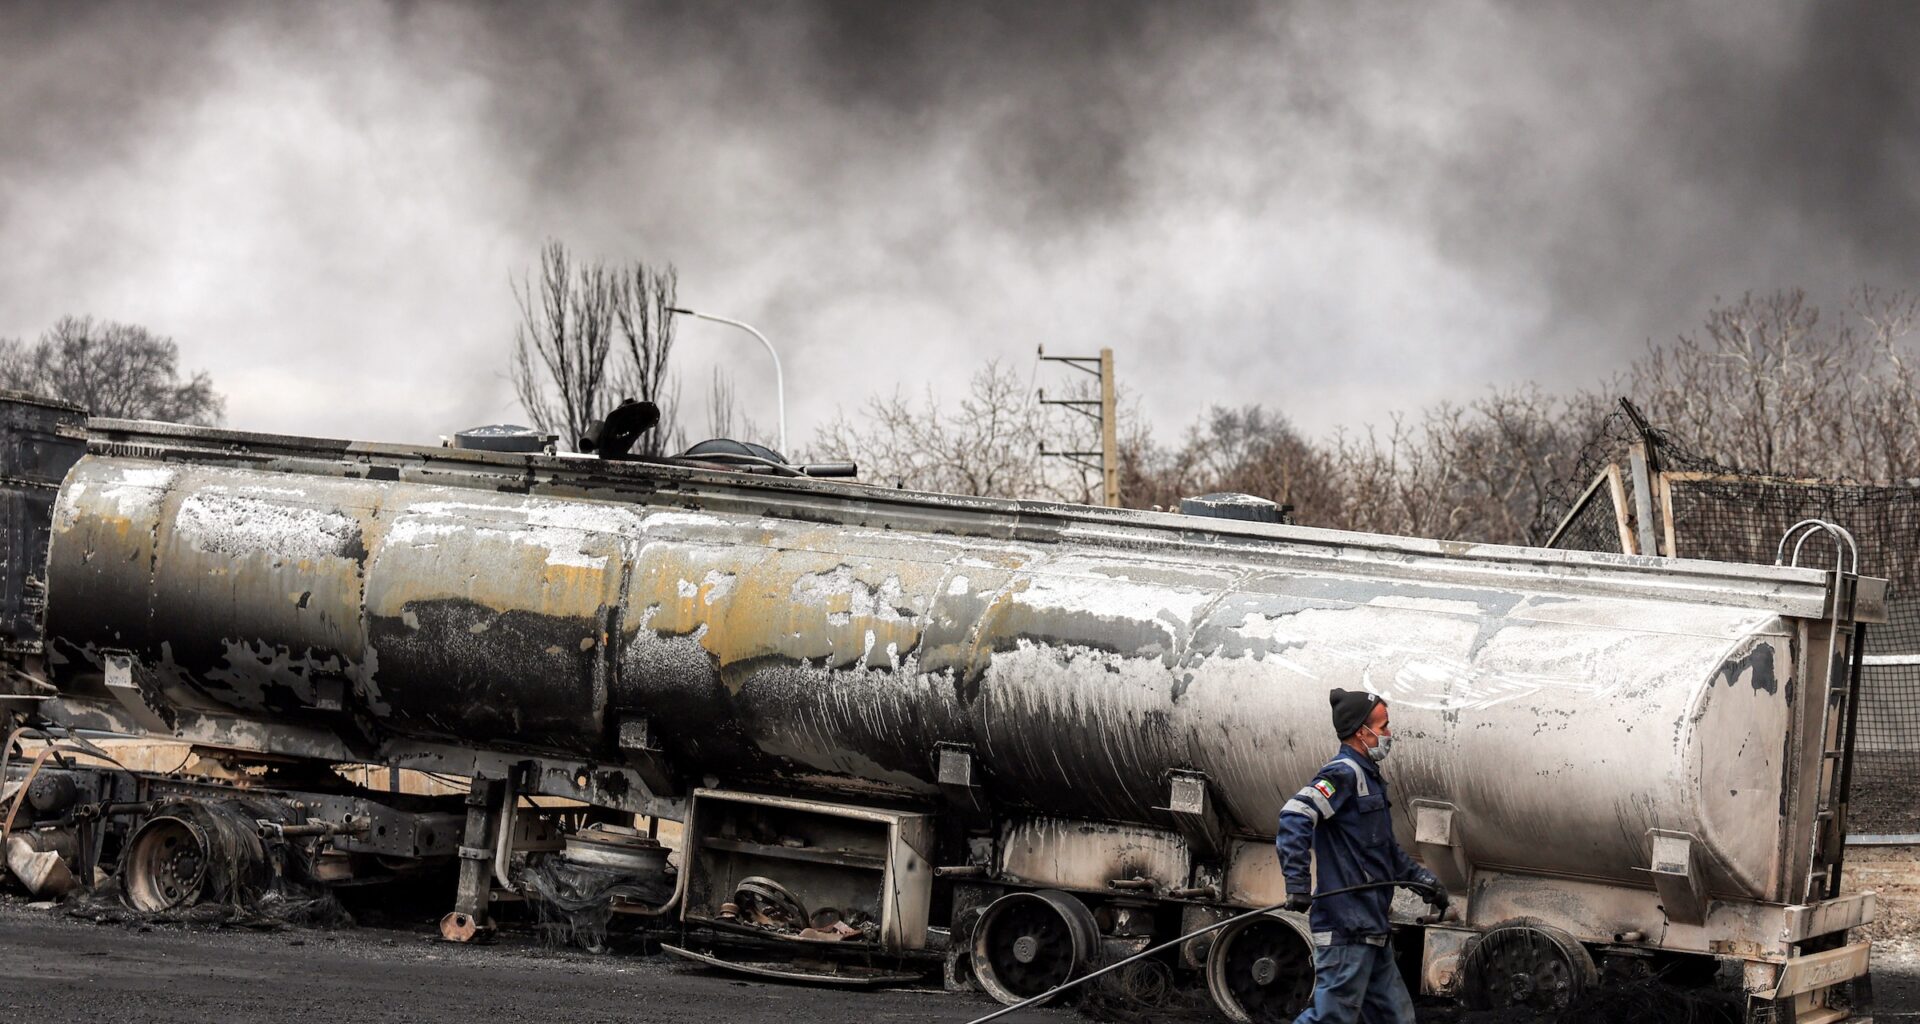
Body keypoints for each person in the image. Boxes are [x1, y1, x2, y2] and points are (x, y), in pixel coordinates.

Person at [1274, 688, 1448, 1024]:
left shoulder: (1370, 779)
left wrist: (1425, 882)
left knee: (1395, 1018)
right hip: (1345, 929)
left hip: (1371, 926)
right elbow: (1295, 815)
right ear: (1361, 732)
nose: (1388, 734)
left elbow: (1384, 852)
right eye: (1382, 727)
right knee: (1332, 1019)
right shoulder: (1342, 774)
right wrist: (1296, 882)